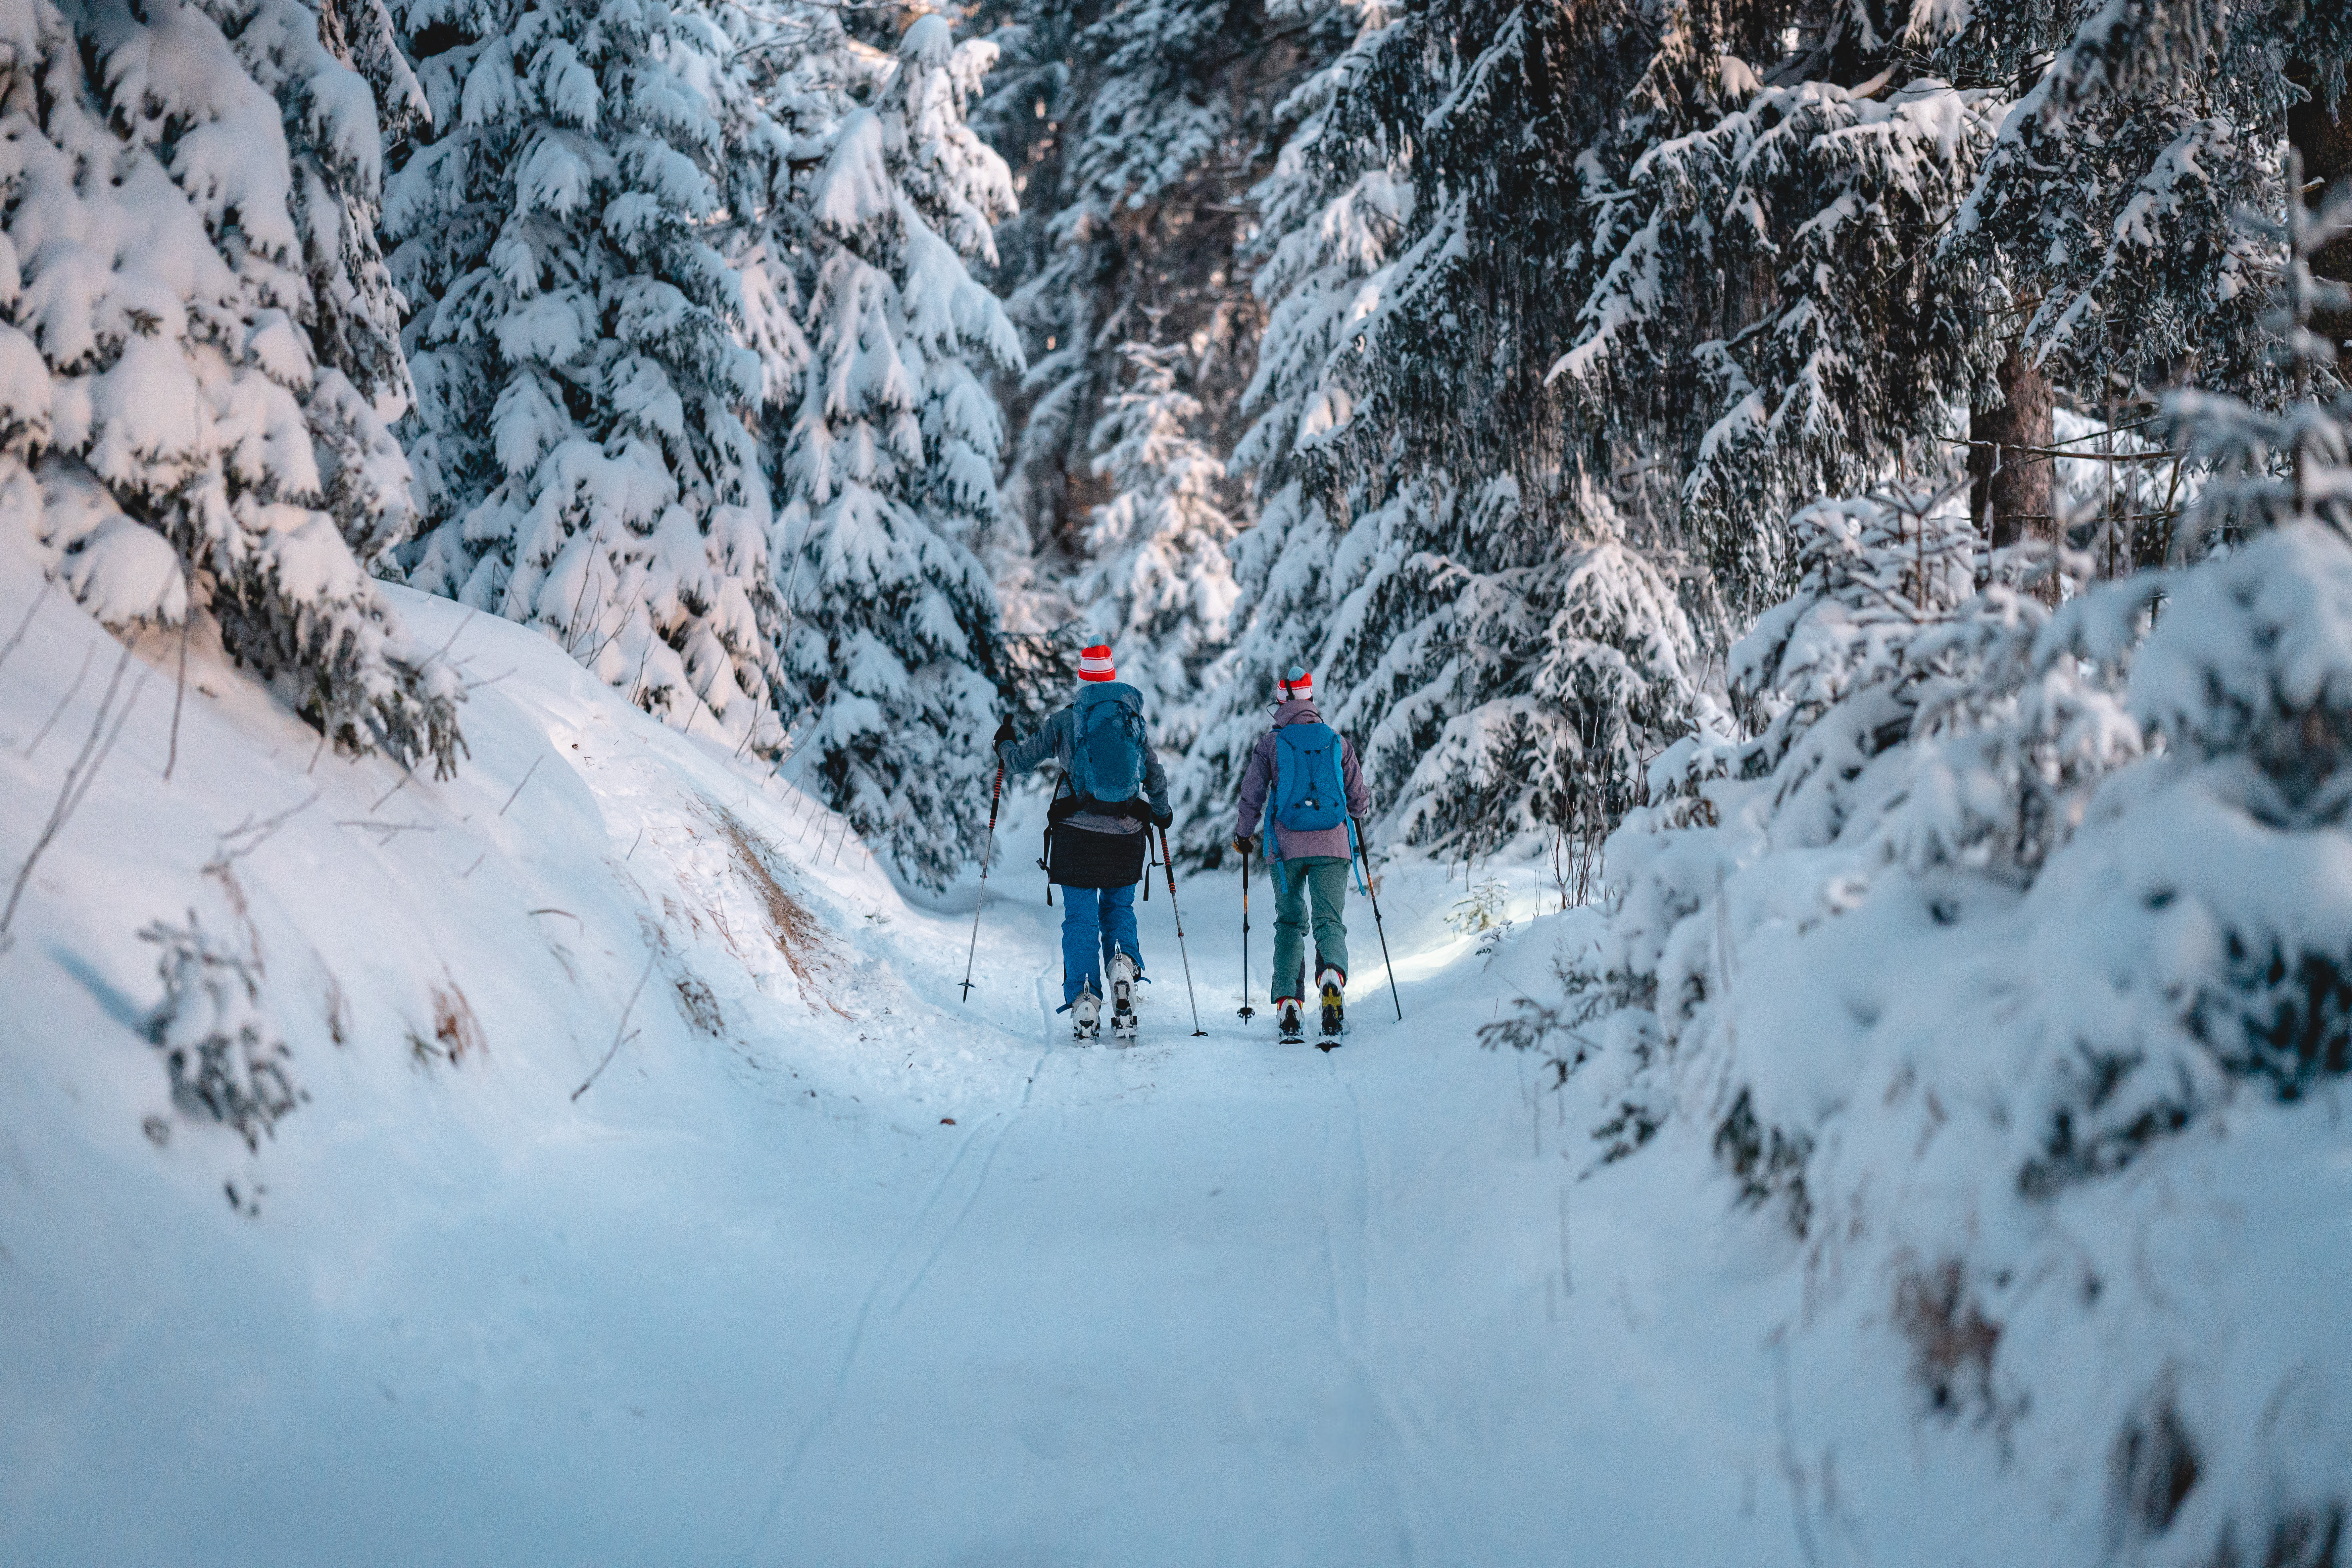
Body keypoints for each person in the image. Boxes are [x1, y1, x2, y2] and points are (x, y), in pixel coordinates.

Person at [996, 644, 1173, 1041]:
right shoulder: (1132, 720)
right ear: (1111, 676)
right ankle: (1123, 964)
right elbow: (1155, 776)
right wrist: (1161, 813)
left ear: (1083, 678)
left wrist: (1003, 743)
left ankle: (1085, 1000)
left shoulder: (1065, 720)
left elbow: (1020, 762)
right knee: (1118, 908)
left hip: (1076, 839)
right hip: (1127, 837)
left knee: (1080, 918)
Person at [1231, 665, 1372, 1043]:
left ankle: (1289, 1004)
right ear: (1310, 699)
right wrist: (1352, 818)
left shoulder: (1270, 745)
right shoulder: (1336, 741)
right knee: (1330, 920)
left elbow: (1252, 797)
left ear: (1280, 703)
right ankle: (1332, 977)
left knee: (1291, 923)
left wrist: (1243, 836)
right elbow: (1359, 801)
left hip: (1286, 847)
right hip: (1332, 844)